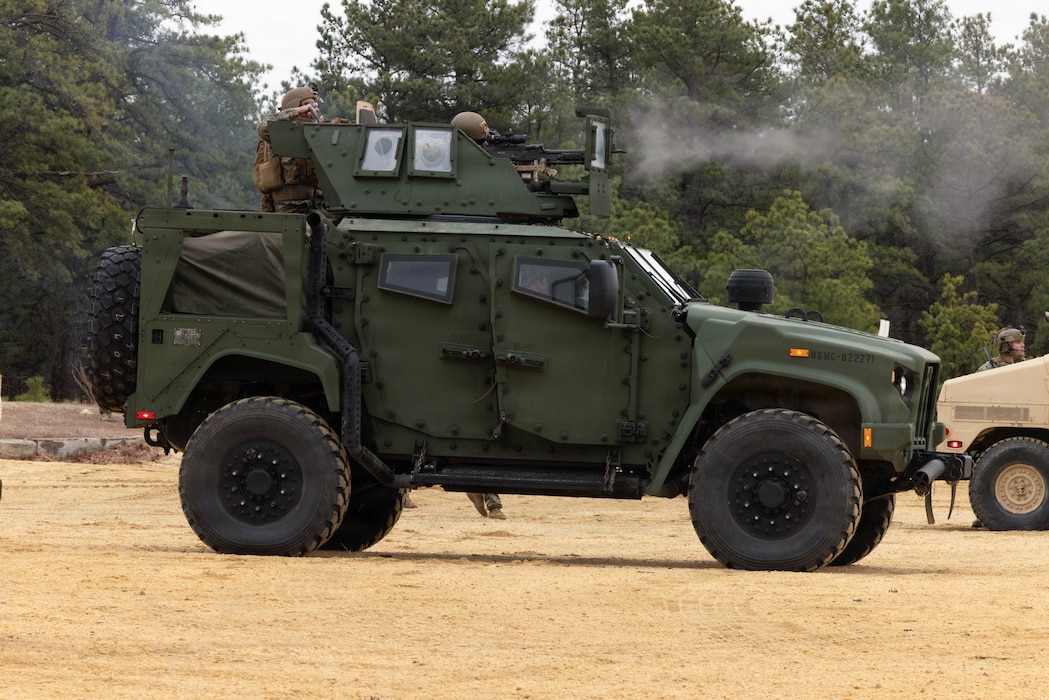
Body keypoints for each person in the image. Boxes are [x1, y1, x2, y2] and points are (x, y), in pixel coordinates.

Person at [255, 86, 323, 213]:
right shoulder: (281, 134)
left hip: (317, 206)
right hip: (288, 209)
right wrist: (297, 112)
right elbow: (263, 127)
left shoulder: (319, 133)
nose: (316, 109)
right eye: (309, 105)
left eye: (316, 105)